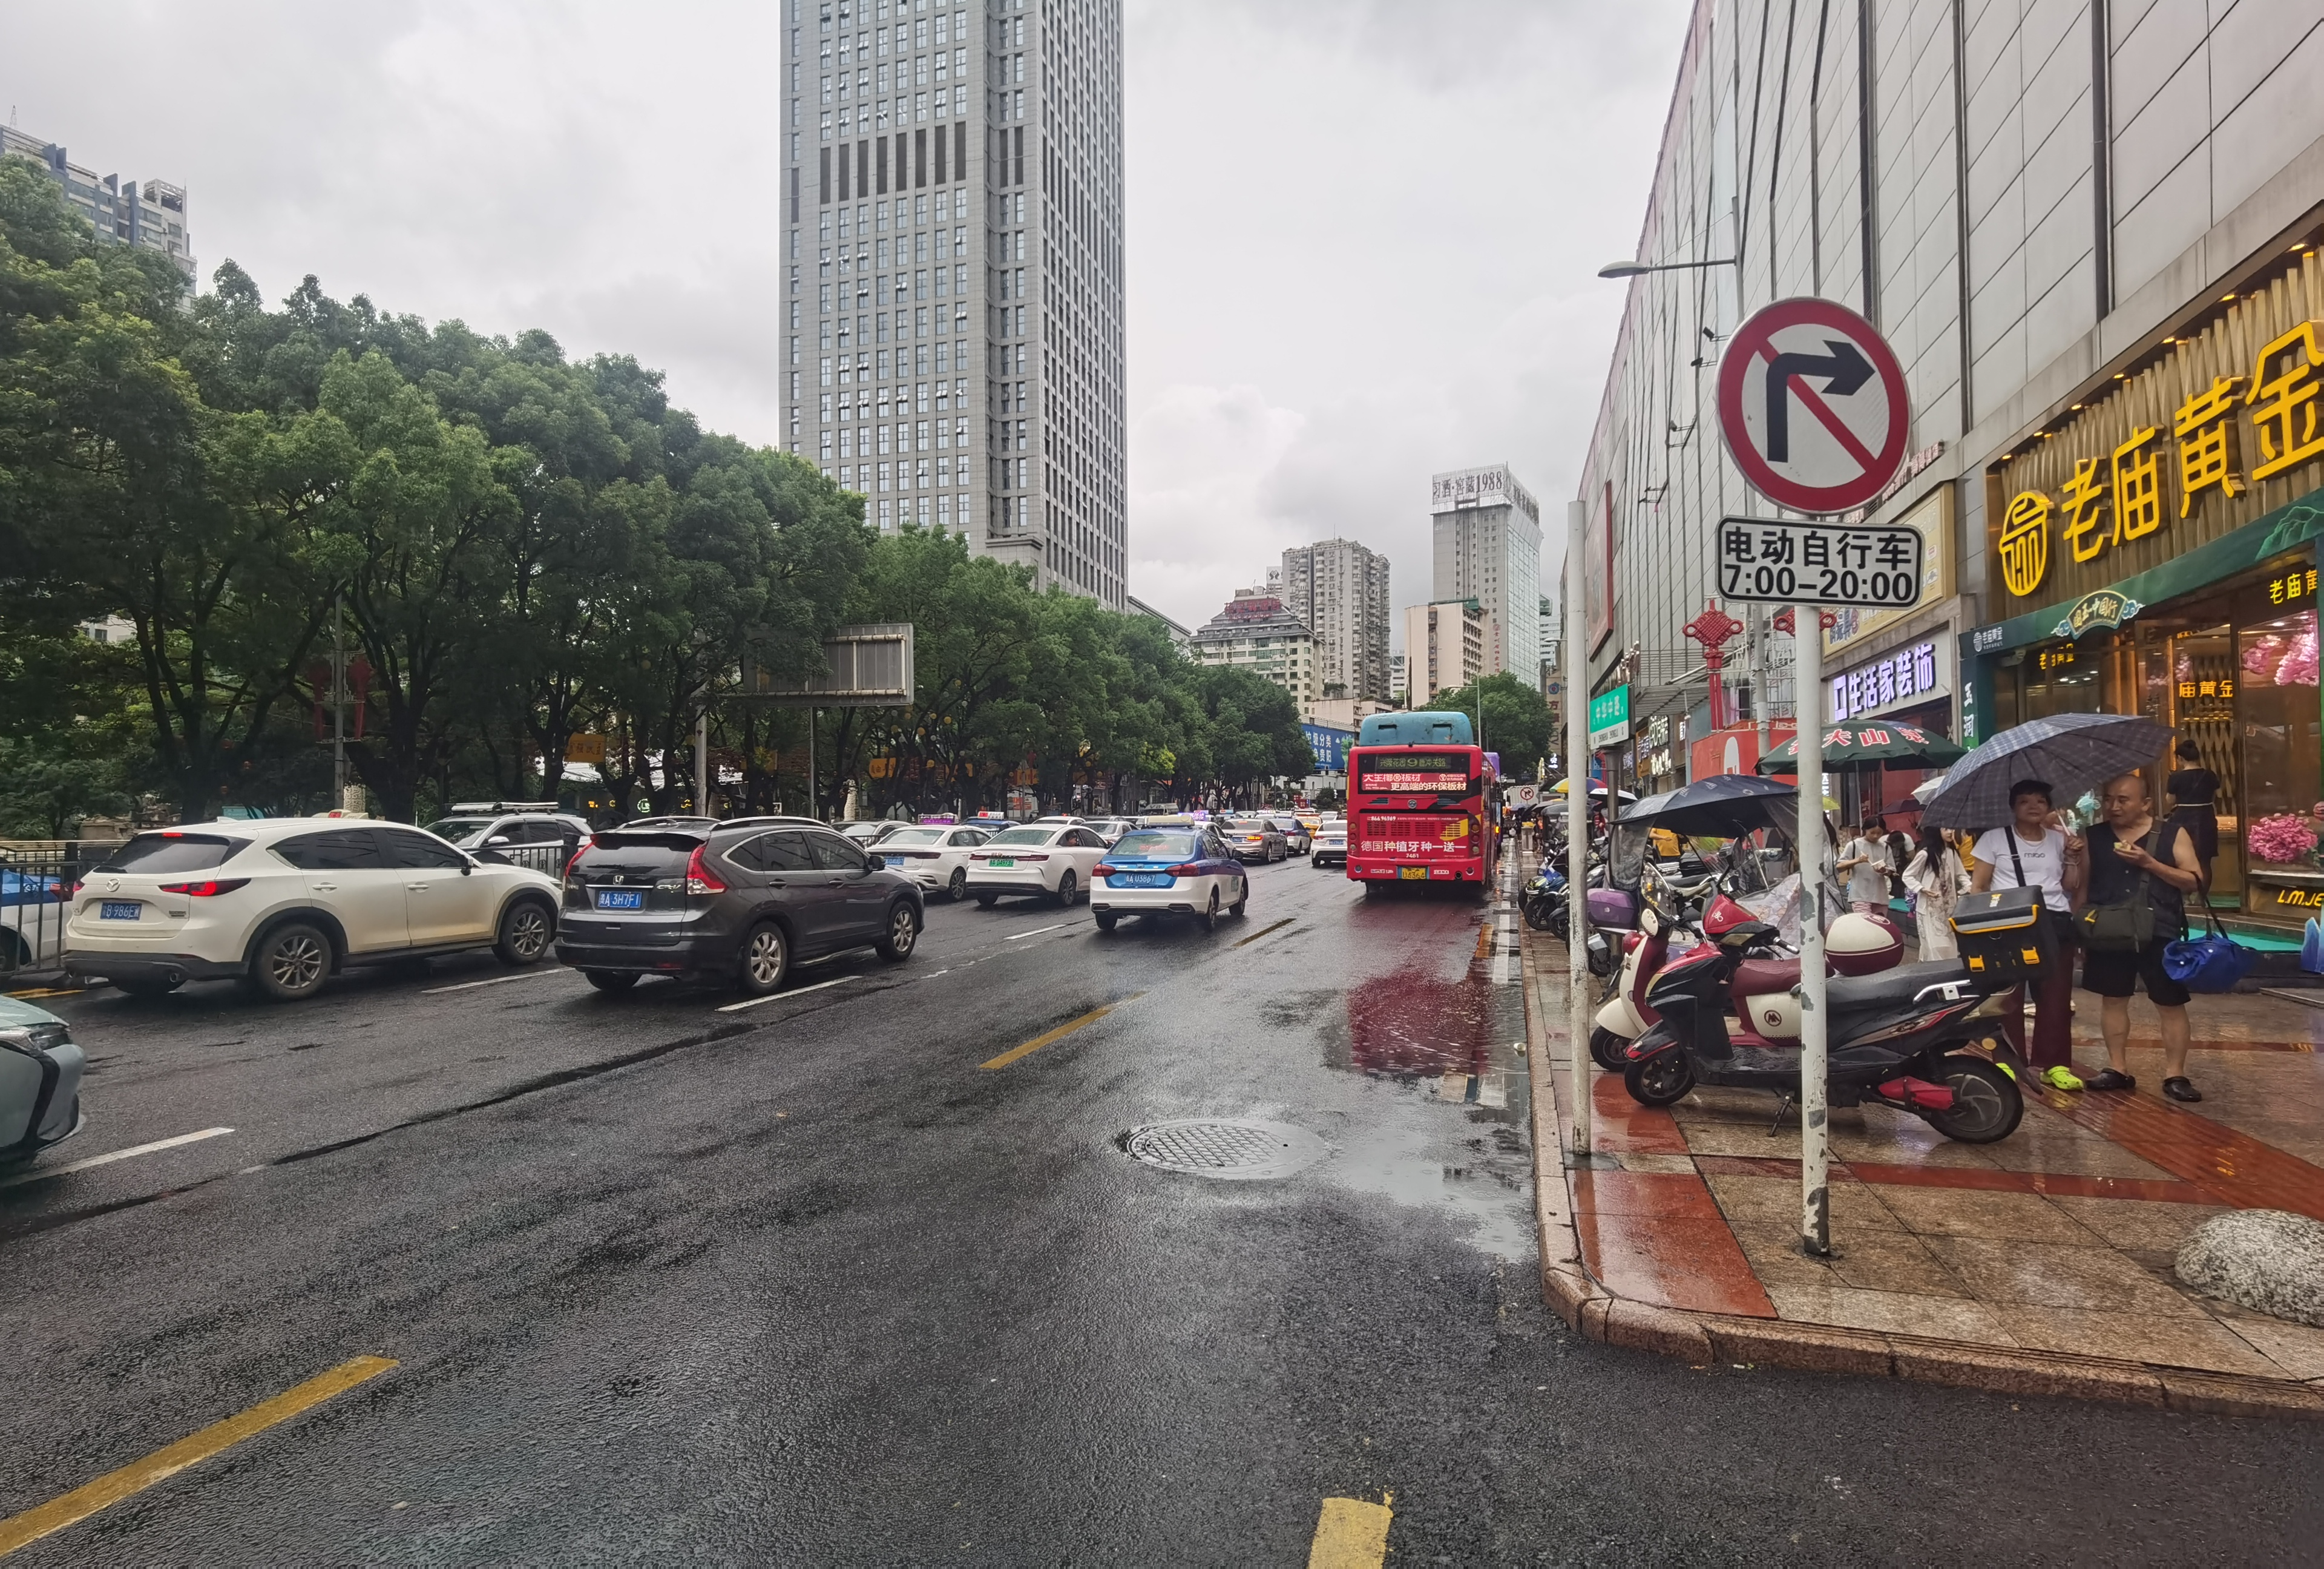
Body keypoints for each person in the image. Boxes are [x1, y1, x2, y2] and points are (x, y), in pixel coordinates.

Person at [2081, 772, 2207, 1100]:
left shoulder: (2171, 833)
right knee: (2113, 999)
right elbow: (2082, 885)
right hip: (2108, 929)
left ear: (2146, 803)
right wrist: (2079, 927)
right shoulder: (2094, 836)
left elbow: (2194, 880)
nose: (2114, 806)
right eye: (2108, 799)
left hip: (2160, 929)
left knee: (2170, 1002)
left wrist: (2149, 863)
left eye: (2123, 800)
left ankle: (2176, 1074)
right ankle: (2117, 1068)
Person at [1970, 780, 2087, 1091]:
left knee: (2056, 996)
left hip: (2054, 922)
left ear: (2049, 806)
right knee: (2008, 997)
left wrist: (2072, 857)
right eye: (2025, 801)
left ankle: (2055, 1065)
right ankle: (2008, 1062)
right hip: (2008, 925)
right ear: (2013, 807)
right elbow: (1979, 886)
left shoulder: (2060, 840)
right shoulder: (1994, 839)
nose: (2034, 806)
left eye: (2040, 801)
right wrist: (1980, 927)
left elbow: (2070, 885)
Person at [2164, 737, 2221, 890]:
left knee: (2183, 858)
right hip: (2206, 818)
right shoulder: (2210, 775)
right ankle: (2203, 895)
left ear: (2180, 758)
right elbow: (2214, 797)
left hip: (2183, 818)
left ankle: (2187, 894)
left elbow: (2170, 800)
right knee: (2205, 860)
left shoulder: (2176, 777)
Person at [1906, 823, 1967, 959]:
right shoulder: (1925, 854)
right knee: (1935, 945)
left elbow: (1962, 875)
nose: (1951, 832)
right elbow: (1908, 875)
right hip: (1930, 908)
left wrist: (1969, 887)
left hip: (1949, 907)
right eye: (1946, 829)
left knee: (1950, 944)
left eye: (1951, 828)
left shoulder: (1952, 853)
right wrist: (1922, 889)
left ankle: (1949, 970)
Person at [1837, 818, 1889, 915]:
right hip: (1860, 895)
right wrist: (1858, 860)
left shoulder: (1885, 847)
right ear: (1865, 830)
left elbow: (1893, 871)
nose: (1876, 836)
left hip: (1880, 896)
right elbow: (1839, 866)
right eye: (1872, 833)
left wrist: (1885, 870)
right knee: (1865, 923)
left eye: (1879, 833)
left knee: (1879, 924)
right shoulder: (1854, 845)